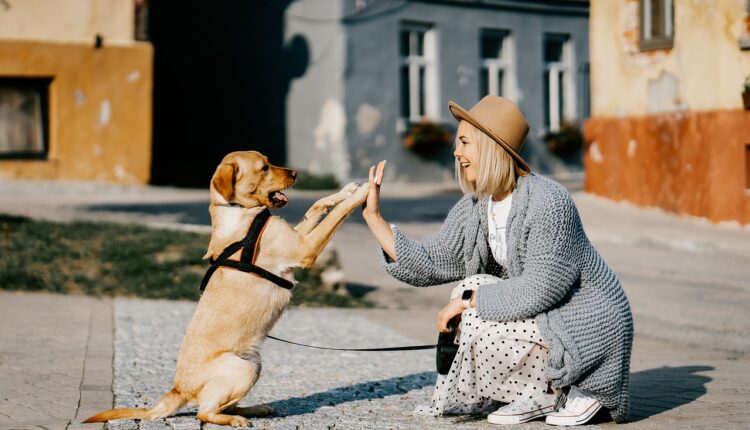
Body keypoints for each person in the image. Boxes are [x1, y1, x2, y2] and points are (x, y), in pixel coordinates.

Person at [361, 96, 633, 426]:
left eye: (464, 142)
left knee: (472, 297)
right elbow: (433, 260)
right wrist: (375, 219)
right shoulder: (477, 205)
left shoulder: (549, 202)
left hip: (586, 323)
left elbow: (540, 289)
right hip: (545, 318)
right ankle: (533, 393)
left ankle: (577, 387)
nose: (456, 153)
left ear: (490, 146)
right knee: (470, 288)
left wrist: (467, 303)